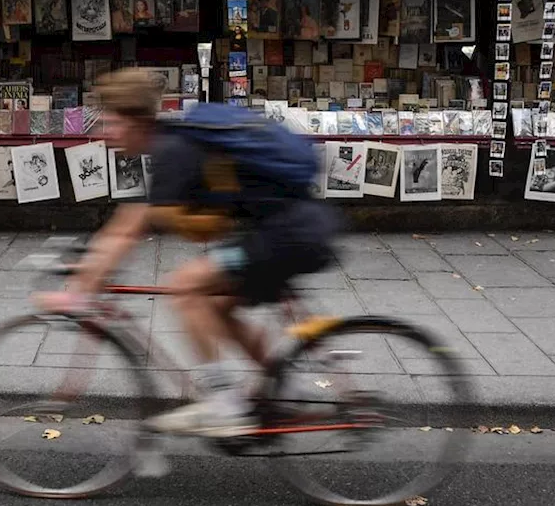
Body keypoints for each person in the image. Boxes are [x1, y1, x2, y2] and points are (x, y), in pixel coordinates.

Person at [35, 69, 340, 437]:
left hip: (287, 235)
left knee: (185, 286)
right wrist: (88, 268)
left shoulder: (172, 150)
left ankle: (224, 405)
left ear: (135, 120)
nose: (106, 134)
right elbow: (132, 220)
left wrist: (76, 293)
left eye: (112, 123)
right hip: (290, 229)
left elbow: (130, 227)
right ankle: (283, 387)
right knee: (216, 306)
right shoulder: (174, 144)